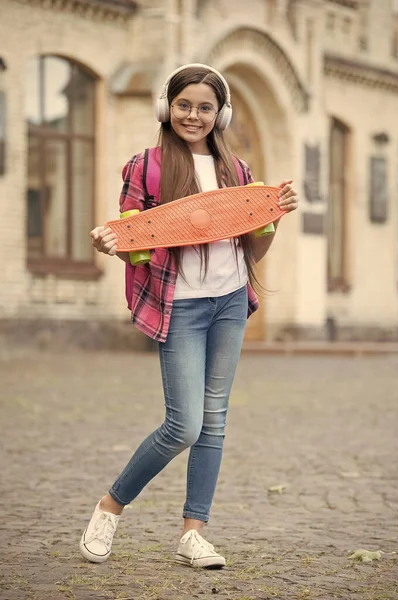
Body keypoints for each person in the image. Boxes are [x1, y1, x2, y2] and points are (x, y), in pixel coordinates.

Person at [80, 64, 299, 569]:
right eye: (184, 105)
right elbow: (134, 244)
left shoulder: (237, 174)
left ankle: (192, 533)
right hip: (179, 304)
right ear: (167, 107)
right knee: (184, 425)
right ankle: (109, 507)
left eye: (204, 107)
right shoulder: (145, 166)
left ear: (220, 114)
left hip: (229, 302)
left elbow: (254, 252)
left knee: (215, 421)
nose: (193, 116)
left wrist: (273, 217)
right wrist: (111, 244)